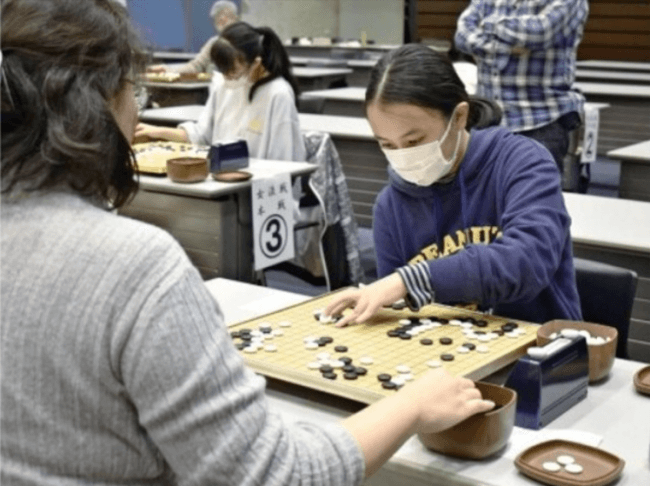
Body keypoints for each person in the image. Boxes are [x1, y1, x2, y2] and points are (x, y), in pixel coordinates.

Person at [0, 2, 495, 484]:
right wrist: (410, 404)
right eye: (135, 91)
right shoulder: (135, 268)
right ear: (98, 104)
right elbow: (271, 474)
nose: (137, 113)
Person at [324, 44, 582, 327]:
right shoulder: (390, 206)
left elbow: (526, 264)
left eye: (413, 141)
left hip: (541, 350)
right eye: (386, 144)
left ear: (459, 117)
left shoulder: (523, 162)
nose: (403, 155)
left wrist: (408, 280)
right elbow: (399, 314)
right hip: (448, 358)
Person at [136, 21, 306, 162]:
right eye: (224, 71)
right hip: (222, 178)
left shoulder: (278, 94)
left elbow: (285, 163)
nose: (227, 79)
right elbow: (202, 135)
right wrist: (158, 132)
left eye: (233, 72)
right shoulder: (223, 87)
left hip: (259, 190)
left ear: (256, 64)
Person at [453, 0, 589, 174]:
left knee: (533, 198)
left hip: (539, 121)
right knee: (484, 197)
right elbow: (462, 35)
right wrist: (505, 48)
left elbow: (540, 32)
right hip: (488, 123)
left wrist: (488, 24)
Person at [148, 0, 239, 74]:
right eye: (218, 17)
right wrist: (168, 69)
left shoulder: (246, 40)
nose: (222, 20)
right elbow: (195, 66)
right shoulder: (214, 43)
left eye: (227, 16)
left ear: (236, 18)